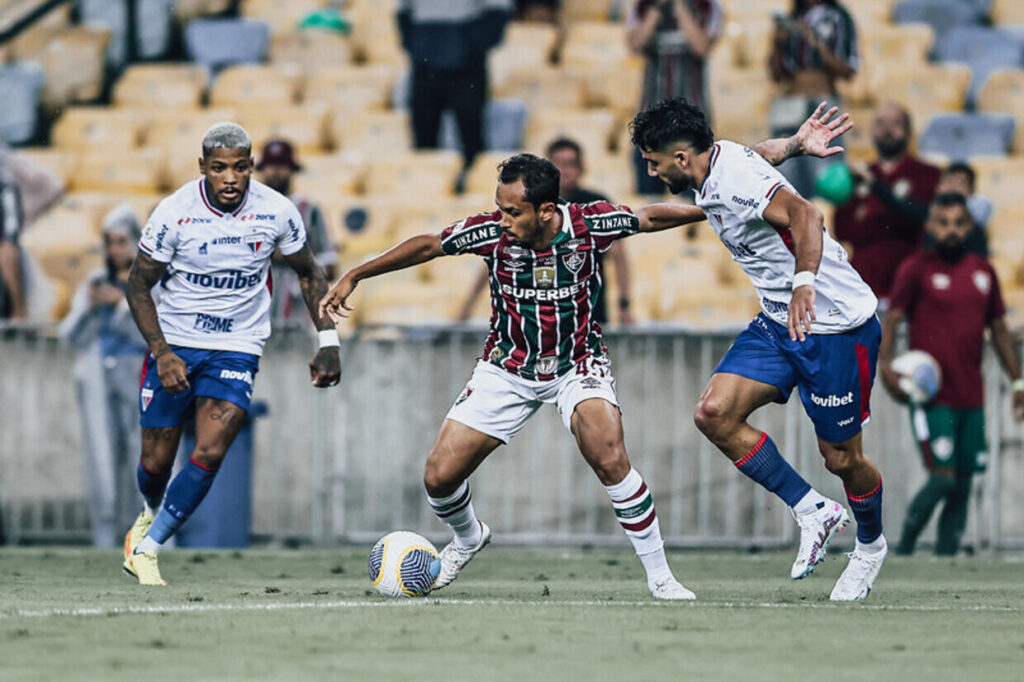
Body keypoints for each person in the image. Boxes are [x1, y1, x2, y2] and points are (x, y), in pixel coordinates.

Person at [319, 111, 840, 598]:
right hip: (508, 366)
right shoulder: (490, 233)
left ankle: (661, 579)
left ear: (547, 209)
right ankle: (470, 537)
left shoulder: (589, 224)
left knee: (609, 455)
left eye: (512, 211)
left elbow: (648, 218)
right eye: (499, 208)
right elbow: (430, 245)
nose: (501, 219)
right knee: (438, 478)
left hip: (577, 366)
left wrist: (710, 207)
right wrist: (356, 273)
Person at [631, 97, 886, 601]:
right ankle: (813, 510)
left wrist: (804, 283)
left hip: (833, 324)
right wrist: (794, 144)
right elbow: (760, 154)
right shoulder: (718, 162)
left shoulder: (733, 181)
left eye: (653, 160)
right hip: (779, 321)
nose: (649, 168)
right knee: (714, 414)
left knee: (841, 459)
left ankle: (870, 547)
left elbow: (807, 215)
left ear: (682, 158)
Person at [122, 123, 341, 585]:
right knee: (156, 463)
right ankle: (147, 513)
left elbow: (308, 272)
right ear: (202, 167)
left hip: (237, 346)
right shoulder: (173, 213)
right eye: (219, 168)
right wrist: (161, 352)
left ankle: (149, 548)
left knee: (211, 448)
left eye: (240, 168)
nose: (230, 178)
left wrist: (327, 341)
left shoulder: (277, 211)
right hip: (177, 342)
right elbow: (138, 284)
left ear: (251, 168)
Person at [880, 193, 1024, 557]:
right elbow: (893, 318)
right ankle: (904, 547)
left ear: (970, 227)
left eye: (959, 224)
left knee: (963, 483)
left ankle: (945, 560)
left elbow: (999, 328)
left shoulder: (983, 272)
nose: (951, 231)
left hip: (972, 398)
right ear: (930, 226)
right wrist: (886, 366)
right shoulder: (915, 269)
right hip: (931, 396)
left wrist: (1018, 381)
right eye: (943, 223)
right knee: (942, 477)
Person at [456, 137, 634, 325]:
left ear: (582, 168)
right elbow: (497, 254)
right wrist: (467, 307)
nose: (564, 171)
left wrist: (624, 305)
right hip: (536, 314)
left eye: (570, 164)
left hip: (587, 312)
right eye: (558, 165)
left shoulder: (596, 204)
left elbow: (618, 254)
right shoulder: (526, 205)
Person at [59, 204, 149, 547]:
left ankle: (150, 541)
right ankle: (104, 540)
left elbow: (154, 336)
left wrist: (121, 306)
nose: (116, 250)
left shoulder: (149, 281)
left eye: (122, 241)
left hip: (140, 378)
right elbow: (70, 335)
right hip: (101, 379)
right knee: (102, 461)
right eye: (110, 242)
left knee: (146, 460)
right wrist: (91, 308)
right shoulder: (95, 282)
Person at [833, 103, 941, 307]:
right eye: (881, 124)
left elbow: (916, 217)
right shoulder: (856, 177)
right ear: (872, 132)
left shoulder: (927, 173)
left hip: (907, 283)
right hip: (862, 283)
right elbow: (844, 230)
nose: (887, 130)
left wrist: (876, 199)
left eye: (896, 124)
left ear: (910, 132)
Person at [397, 0, 512, 170]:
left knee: (472, 139)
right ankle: (428, 186)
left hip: (467, 67)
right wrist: (418, 46)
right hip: (425, 66)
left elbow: (498, 13)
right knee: (423, 142)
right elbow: (403, 13)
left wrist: (469, 45)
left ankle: (474, 185)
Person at [627, 0, 723, 195]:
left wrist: (679, 6)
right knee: (649, 198)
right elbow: (636, 44)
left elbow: (702, 46)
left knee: (695, 197)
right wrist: (657, 8)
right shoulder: (642, 6)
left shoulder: (708, 6)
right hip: (651, 120)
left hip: (692, 124)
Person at [768, 0, 858, 199]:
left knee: (826, 177)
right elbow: (776, 75)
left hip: (822, 102)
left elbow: (848, 68)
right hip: (789, 104)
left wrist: (815, 42)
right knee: (786, 178)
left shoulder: (838, 17)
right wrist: (778, 42)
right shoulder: (792, 18)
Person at [256, 139, 338, 329]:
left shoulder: (310, 210)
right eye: (270, 166)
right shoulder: (247, 212)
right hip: (255, 321)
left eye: (281, 166)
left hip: (297, 318)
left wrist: (294, 257)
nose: (275, 172)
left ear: (292, 169)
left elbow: (331, 265)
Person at [935, 162, 991, 258]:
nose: (952, 188)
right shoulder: (929, 214)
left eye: (959, 184)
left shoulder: (980, 208)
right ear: (938, 187)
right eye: (948, 182)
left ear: (972, 190)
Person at [0, 163, 27, 320]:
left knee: (7, 251)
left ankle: (20, 310)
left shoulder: (5, 185)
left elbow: (12, 225)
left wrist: (9, 240)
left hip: (4, 243)